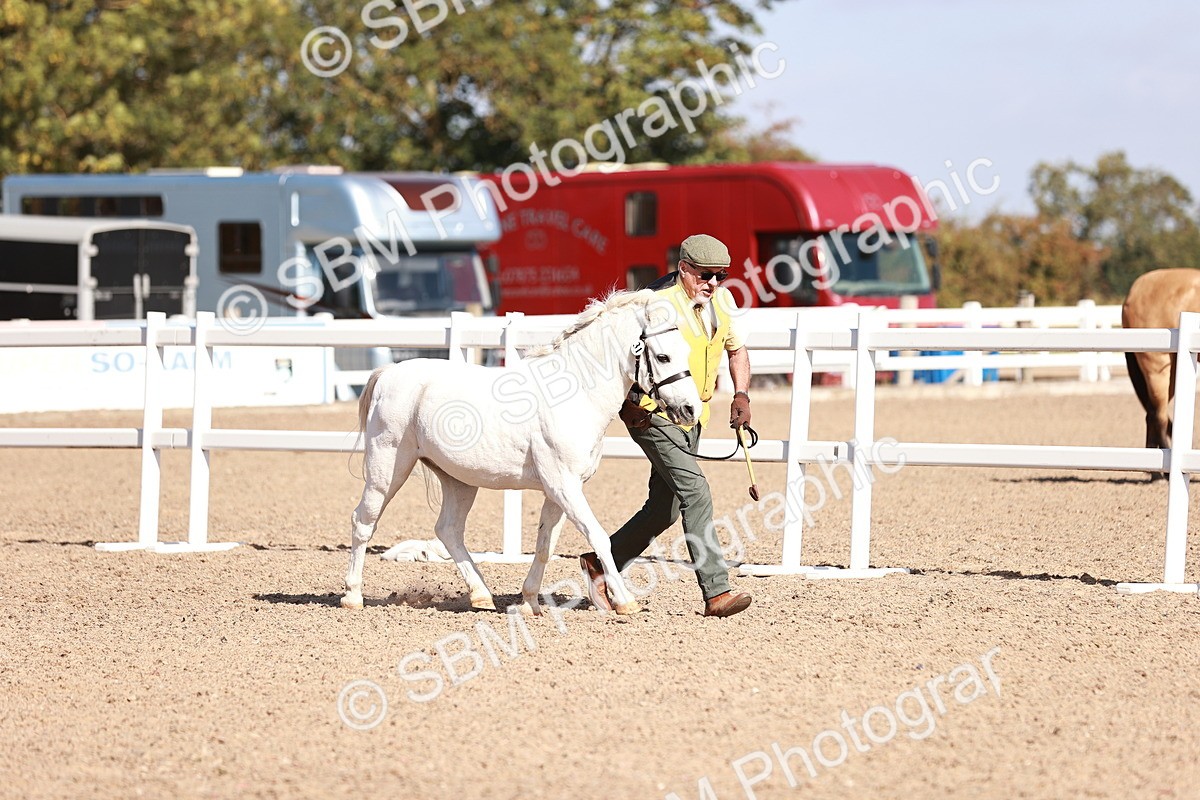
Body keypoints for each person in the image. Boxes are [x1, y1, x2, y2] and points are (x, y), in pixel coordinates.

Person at [581, 233, 754, 618]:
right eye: (706, 275)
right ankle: (717, 592)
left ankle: (601, 562)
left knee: (665, 509)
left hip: (694, 416)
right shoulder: (656, 305)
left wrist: (741, 394)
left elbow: (736, 349)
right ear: (684, 270)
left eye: (721, 276)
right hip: (653, 414)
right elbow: (617, 354)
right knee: (696, 491)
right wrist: (627, 404)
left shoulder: (722, 302)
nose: (713, 284)